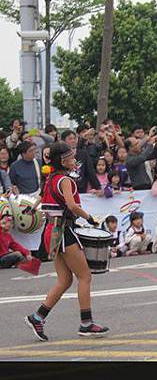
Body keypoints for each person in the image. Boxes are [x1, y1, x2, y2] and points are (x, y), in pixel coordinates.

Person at [25, 142, 108, 341]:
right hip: (63, 230)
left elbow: (41, 198)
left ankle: (37, 317)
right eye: (71, 157)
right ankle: (86, 324)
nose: (74, 160)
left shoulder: (51, 178)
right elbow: (71, 205)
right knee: (85, 276)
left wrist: (32, 208)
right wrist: (90, 218)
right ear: (62, 160)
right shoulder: (65, 180)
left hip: (51, 231)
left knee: (65, 280)